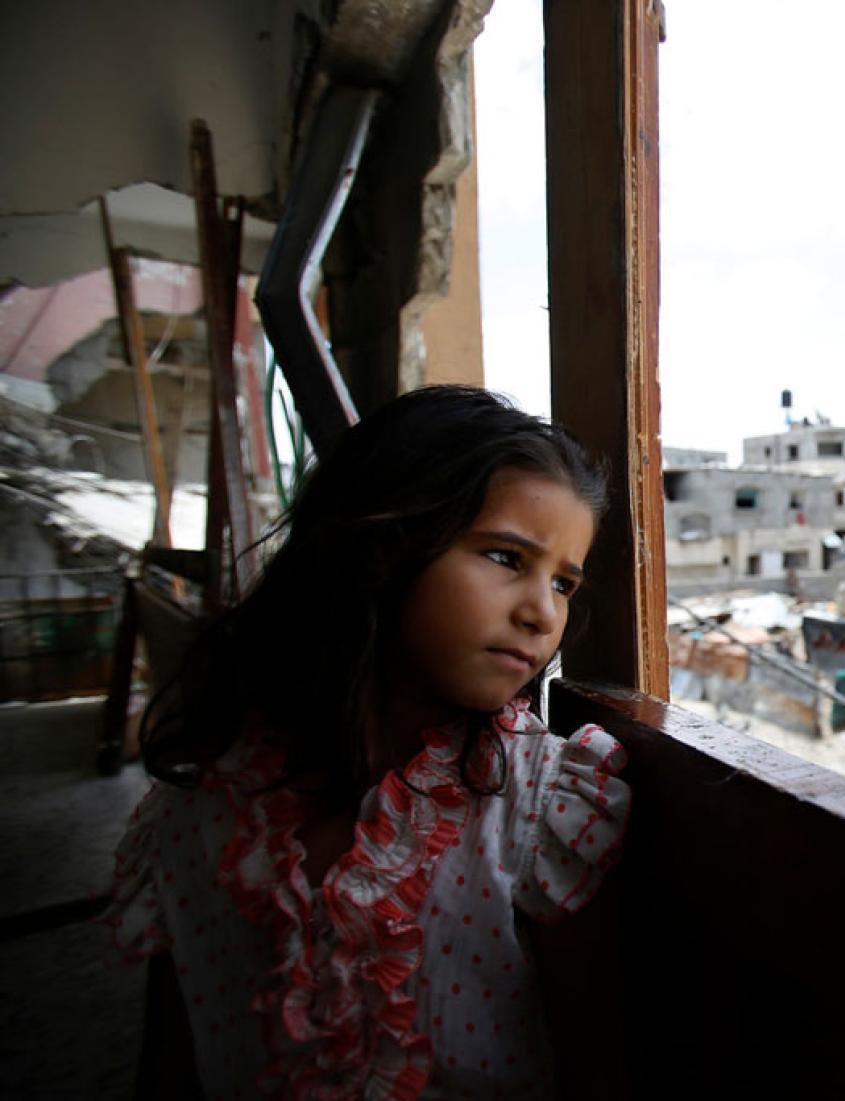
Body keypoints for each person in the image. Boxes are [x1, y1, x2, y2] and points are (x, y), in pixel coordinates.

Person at [104, 386, 631, 1098]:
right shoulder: (201, 810)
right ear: (385, 544)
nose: (543, 613)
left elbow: (597, 1059)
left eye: (564, 581)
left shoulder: (536, 803)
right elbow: (170, 1059)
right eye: (507, 557)